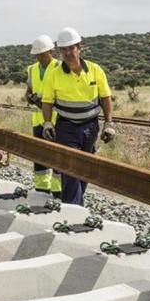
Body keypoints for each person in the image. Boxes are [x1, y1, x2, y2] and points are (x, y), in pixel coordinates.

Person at [41, 27, 115, 206]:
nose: (68, 53)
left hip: (90, 127)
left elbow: (105, 98)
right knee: (71, 167)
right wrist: (48, 123)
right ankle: (74, 209)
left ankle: (76, 202)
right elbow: (47, 101)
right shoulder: (54, 74)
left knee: (86, 167)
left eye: (71, 48)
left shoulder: (95, 70)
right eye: (64, 49)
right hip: (66, 127)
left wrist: (109, 123)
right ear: (60, 52)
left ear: (79, 48)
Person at [25, 35, 62, 196]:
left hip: (55, 120)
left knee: (56, 157)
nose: (39, 57)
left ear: (51, 51)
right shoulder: (32, 69)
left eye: (42, 54)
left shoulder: (60, 67)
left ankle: (58, 191)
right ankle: (41, 190)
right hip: (37, 120)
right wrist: (31, 98)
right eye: (37, 55)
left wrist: (47, 102)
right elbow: (28, 91)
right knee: (39, 156)